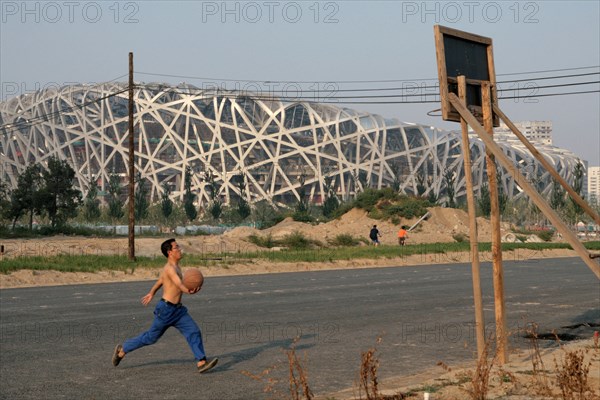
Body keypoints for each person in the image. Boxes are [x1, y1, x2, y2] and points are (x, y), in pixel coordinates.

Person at [112, 238, 218, 373]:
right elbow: (179, 284)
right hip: (166, 310)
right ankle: (123, 350)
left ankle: (201, 362)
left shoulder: (175, 267)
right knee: (151, 337)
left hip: (178, 311)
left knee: (193, 331)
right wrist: (189, 291)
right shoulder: (170, 269)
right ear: (169, 252)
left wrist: (151, 293)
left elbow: (160, 281)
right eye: (177, 247)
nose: (180, 249)